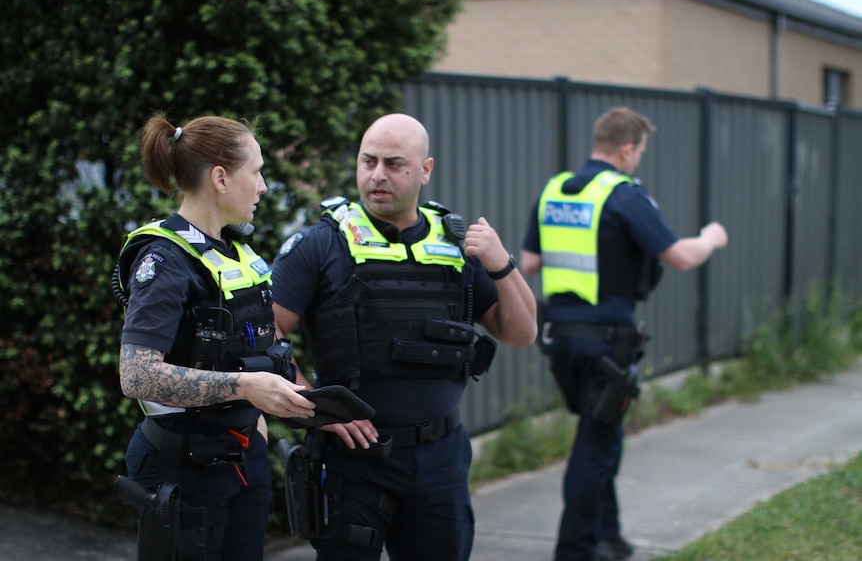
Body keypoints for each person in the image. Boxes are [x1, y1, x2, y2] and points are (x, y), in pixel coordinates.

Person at [271, 113, 537, 561]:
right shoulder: (321, 244)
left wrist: (500, 262)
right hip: (352, 462)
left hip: (440, 457)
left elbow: (521, 333)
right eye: (368, 161)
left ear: (425, 170)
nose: (377, 175)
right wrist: (314, 409)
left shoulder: (458, 247)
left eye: (394, 164)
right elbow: (263, 332)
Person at [520, 107, 728, 561]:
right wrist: (711, 237)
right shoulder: (624, 194)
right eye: (640, 153)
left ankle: (608, 537)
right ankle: (575, 550)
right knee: (596, 445)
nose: (638, 161)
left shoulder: (555, 189)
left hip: (560, 340)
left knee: (602, 433)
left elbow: (529, 262)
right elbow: (679, 257)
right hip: (608, 344)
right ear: (627, 149)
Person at [114, 113, 317, 561]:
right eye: (257, 172)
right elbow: (137, 375)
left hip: (243, 460)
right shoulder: (165, 259)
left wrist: (259, 420)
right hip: (182, 468)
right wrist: (244, 388)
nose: (264, 186)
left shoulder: (236, 252)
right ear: (221, 178)